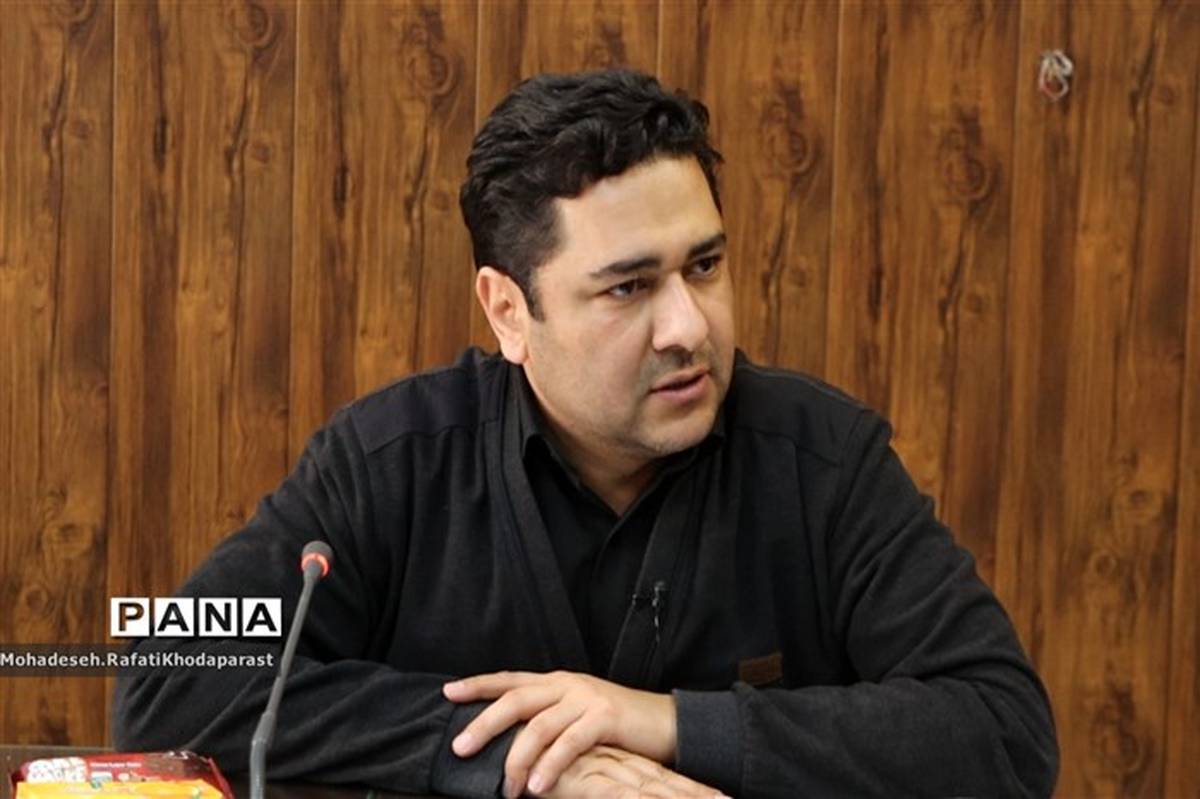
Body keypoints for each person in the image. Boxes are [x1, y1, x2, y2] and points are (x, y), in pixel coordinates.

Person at [112, 69, 1059, 798]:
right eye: (628, 287)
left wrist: (667, 723)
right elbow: (166, 678)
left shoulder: (824, 461)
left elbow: (1005, 729)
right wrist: (520, 752)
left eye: (705, 266)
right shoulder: (392, 459)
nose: (687, 326)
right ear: (509, 311)